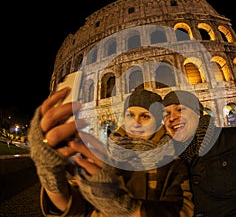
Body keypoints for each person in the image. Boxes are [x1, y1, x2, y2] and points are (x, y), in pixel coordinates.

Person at [28, 87, 194, 217]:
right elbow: (70, 205)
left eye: (144, 116)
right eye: (130, 115)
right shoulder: (101, 154)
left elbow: (181, 211)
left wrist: (119, 204)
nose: (135, 123)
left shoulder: (173, 162)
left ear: (158, 122)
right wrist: (48, 171)